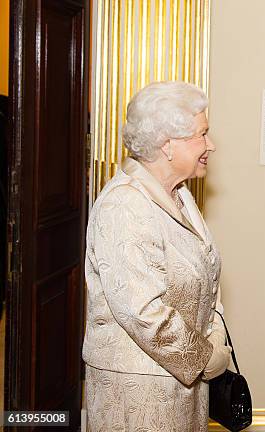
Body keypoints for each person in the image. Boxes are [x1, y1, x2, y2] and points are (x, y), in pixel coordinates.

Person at [82, 81, 231, 431]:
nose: (210, 145)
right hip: (138, 391)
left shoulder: (178, 193)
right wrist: (207, 358)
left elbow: (206, 274)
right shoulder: (124, 205)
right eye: (202, 134)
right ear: (167, 145)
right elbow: (142, 310)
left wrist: (215, 336)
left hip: (181, 383)